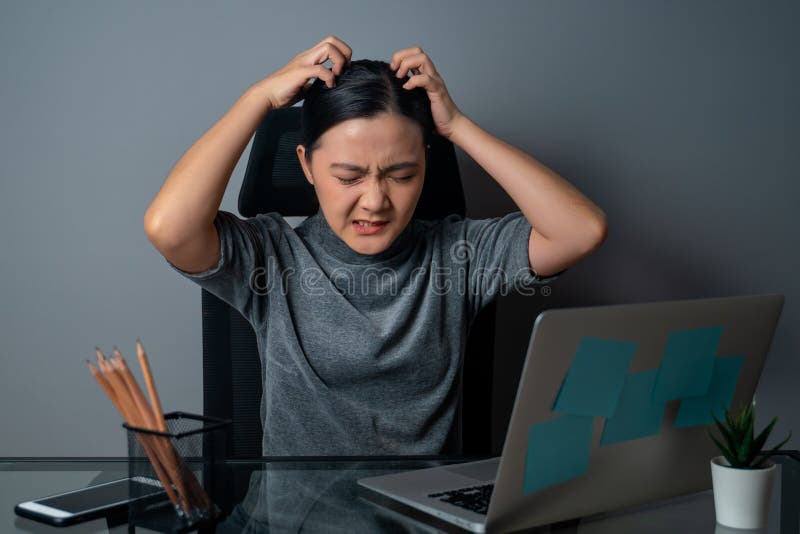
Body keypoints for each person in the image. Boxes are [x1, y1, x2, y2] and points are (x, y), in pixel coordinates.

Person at [144, 36, 607, 456]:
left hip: (420, 518)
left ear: (425, 165)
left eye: (401, 175)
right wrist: (259, 98)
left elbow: (579, 230)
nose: (375, 201)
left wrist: (458, 126)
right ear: (305, 165)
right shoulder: (270, 256)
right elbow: (170, 228)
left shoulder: (458, 254)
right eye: (349, 177)